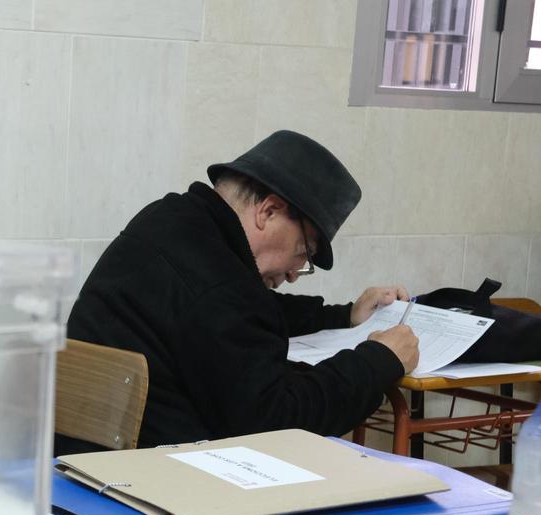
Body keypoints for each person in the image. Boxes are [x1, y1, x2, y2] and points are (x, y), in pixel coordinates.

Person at [59, 129, 419, 454]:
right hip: (153, 478)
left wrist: (344, 315)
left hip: (80, 460)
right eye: (303, 252)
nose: (294, 274)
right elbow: (277, 424)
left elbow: (238, 311)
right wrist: (378, 360)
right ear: (269, 211)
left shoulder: (169, 221)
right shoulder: (223, 289)